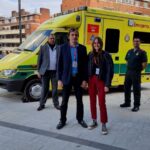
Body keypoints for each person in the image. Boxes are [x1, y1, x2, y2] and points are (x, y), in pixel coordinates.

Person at [56, 28, 88, 129]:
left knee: (80, 100)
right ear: (69, 36)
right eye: (72, 35)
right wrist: (59, 79)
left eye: (76, 35)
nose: (74, 37)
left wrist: (85, 80)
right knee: (64, 101)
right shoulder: (63, 48)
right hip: (66, 78)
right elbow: (59, 65)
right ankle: (62, 120)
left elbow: (85, 66)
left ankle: (80, 119)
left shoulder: (83, 48)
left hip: (78, 79)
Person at [87, 37, 114, 135]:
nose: (96, 44)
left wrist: (107, 84)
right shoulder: (90, 54)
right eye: (94, 43)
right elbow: (87, 68)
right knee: (92, 102)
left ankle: (103, 123)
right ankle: (94, 121)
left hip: (101, 80)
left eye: (98, 43)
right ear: (93, 44)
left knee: (102, 102)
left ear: (101, 44)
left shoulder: (106, 55)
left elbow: (110, 71)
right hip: (91, 80)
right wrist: (86, 81)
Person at [120, 37, 148, 112]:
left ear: (140, 42)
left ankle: (136, 105)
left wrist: (138, 70)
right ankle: (127, 102)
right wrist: (129, 67)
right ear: (133, 42)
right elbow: (127, 61)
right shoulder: (130, 51)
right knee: (126, 88)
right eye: (134, 41)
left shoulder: (142, 52)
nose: (136, 42)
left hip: (136, 73)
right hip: (128, 72)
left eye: (137, 41)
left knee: (136, 89)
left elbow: (145, 64)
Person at [37, 34, 60, 111]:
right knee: (44, 89)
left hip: (55, 72)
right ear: (48, 39)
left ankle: (56, 104)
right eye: (51, 38)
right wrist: (38, 71)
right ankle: (42, 104)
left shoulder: (58, 48)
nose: (52, 39)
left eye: (53, 38)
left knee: (55, 90)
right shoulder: (43, 48)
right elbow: (39, 60)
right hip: (45, 72)